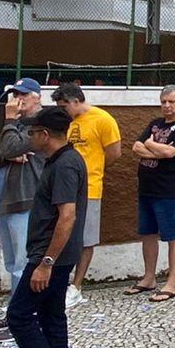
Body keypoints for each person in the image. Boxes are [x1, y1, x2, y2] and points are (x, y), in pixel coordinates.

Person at [6, 105, 85, 348]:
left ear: (45, 135)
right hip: (56, 255)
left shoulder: (65, 165)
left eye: (33, 132)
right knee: (52, 315)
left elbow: (67, 216)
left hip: (51, 256)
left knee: (19, 315)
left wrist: (45, 263)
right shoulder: (61, 160)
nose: (30, 137)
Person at [51, 83, 122, 308]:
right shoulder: (64, 122)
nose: (62, 111)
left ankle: (76, 286)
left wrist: (92, 170)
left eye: (64, 106)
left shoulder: (103, 120)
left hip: (89, 187)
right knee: (59, 232)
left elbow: (113, 153)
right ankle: (57, 282)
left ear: (75, 101)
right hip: (62, 186)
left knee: (86, 238)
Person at [130, 85, 175, 302]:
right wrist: (155, 148)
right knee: (147, 234)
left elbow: (172, 152)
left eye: (171, 102)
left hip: (168, 189)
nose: (166, 106)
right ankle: (149, 277)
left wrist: (152, 146)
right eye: (163, 101)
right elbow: (137, 146)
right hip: (146, 188)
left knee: (172, 235)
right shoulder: (155, 123)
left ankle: (172, 282)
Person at [0, 78, 43, 314]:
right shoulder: (15, 127)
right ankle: (15, 310)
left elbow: (8, 147)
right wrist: (8, 153)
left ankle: (22, 314)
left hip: (26, 198)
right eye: (14, 94)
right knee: (12, 262)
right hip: (5, 200)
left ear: (37, 97)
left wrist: (9, 121)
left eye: (23, 94)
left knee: (23, 262)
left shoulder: (41, 125)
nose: (17, 99)